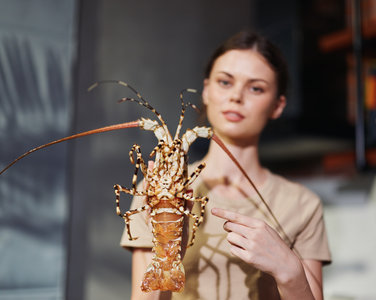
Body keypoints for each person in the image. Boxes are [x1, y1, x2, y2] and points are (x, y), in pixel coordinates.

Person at [120, 30, 331, 300]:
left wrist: (290, 271)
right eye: (225, 82)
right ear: (206, 91)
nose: (236, 97)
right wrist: (168, 249)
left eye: (256, 88)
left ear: (278, 106)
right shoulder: (151, 190)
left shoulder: (303, 205)